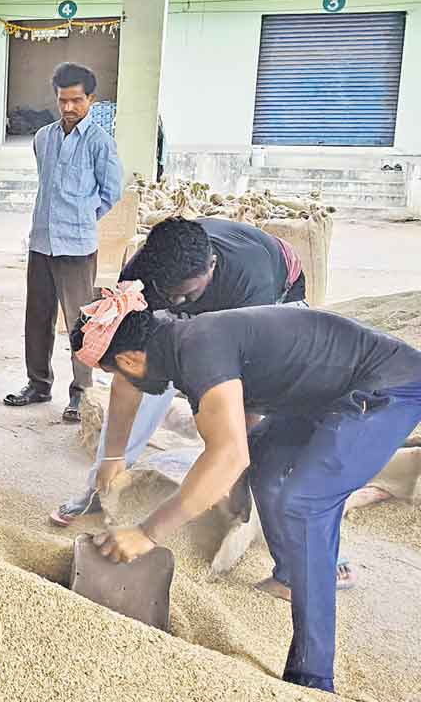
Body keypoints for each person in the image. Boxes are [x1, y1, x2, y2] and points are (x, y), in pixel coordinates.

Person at [72, 285, 421, 694]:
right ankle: (293, 575)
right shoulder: (163, 339)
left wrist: (147, 532)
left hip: (386, 386)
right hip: (321, 391)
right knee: (268, 463)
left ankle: (312, 676)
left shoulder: (197, 351)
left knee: (304, 502)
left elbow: (227, 456)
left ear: (130, 358)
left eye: (112, 370)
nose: (118, 380)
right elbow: (130, 389)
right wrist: (113, 457)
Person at [51, 216, 308, 527]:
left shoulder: (250, 284)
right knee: (146, 366)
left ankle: (274, 505)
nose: (176, 302)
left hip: (280, 292)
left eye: (186, 295)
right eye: (169, 294)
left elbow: (249, 391)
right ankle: (101, 489)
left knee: (255, 412)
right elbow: (130, 373)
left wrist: (237, 475)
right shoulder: (141, 278)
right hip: (206, 300)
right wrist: (112, 458)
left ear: (211, 265)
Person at [4, 62, 122, 423]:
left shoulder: (101, 142)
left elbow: (111, 193)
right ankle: (38, 384)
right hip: (41, 241)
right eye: (62, 101)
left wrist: (82, 218)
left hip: (77, 246)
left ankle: (81, 393)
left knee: (80, 323)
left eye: (76, 101)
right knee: (37, 317)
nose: (69, 108)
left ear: (91, 99)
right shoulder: (44, 137)